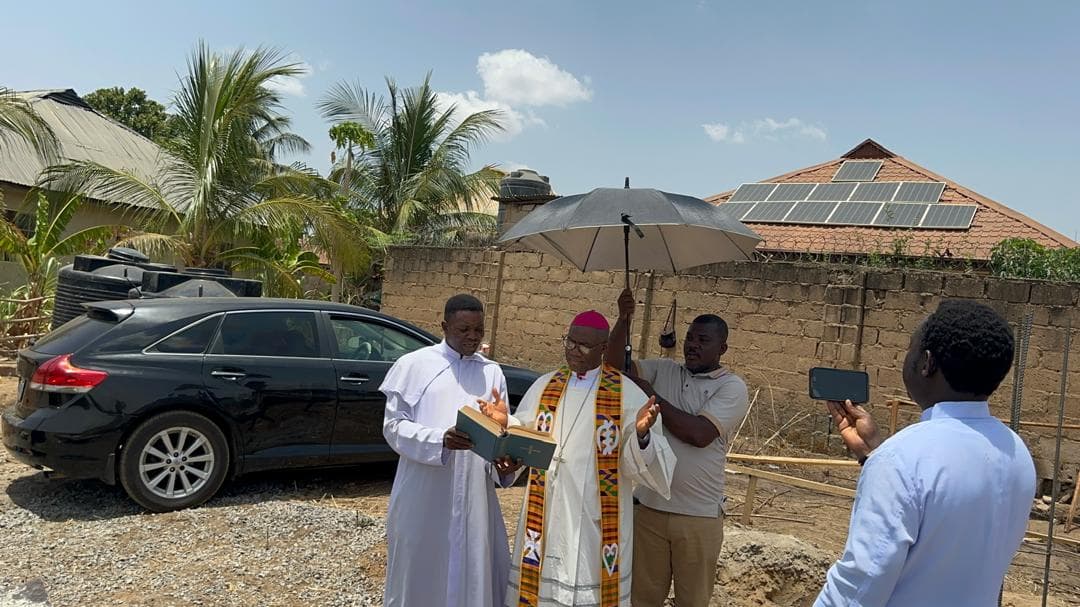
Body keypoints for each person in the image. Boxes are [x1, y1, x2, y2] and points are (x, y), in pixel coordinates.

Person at [815, 299, 1037, 606]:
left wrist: (884, 460)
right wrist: (873, 454)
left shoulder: (901, 459)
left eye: (911, 349)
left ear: (927, 363)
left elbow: (859, 587)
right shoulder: (1016, 451)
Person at [504, 310, 675, 607]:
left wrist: (642, 435)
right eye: (570, 342)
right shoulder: (546, 385)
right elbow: (526, 434)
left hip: (595, 515)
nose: (574, 351)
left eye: (583, 346)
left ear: (604, 349)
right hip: (546, 509)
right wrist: (505, 424)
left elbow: (639, 461)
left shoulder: (627, 395)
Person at [605, 288, 749, 607]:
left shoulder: (732, 387)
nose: (693, 345)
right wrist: (624, 319)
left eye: (703, 340)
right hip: (649, 510)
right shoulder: (665, 369)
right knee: (641, 599)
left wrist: (650, 396)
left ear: (722, 348)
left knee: (692, 601)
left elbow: (698, 433)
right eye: (690, 338)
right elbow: (614, 367)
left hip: (698, 516)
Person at [380, 293, 517, 607]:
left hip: (475, 496)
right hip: (425, 492)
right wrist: (439, 439)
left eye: (478, 330)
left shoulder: (492, 372)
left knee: (474, 569)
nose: (472, 337)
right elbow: (393, 427)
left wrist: (504, 463)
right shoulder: (414, 365)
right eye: (463, 330)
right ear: (444, 326)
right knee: (421, 568)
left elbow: (502, 427)